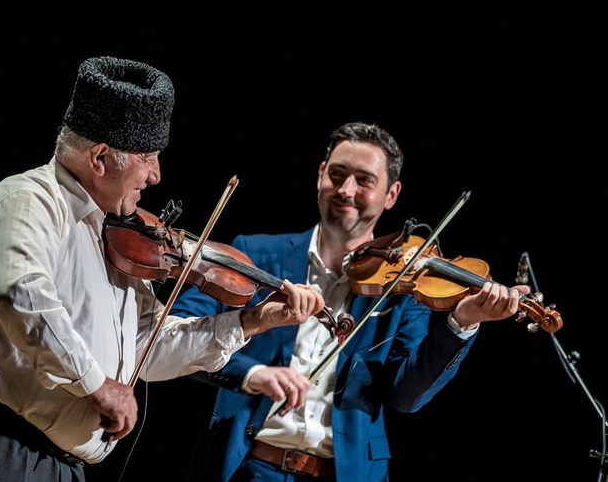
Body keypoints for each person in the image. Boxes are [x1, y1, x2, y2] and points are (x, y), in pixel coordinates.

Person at [0, 56, 324, 482]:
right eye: (148, 157)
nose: (157, 175)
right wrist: (98, 385)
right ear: (101, 157)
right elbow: (20, 298)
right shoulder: (26, 201)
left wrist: (254, 319)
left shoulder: (114, 235)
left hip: (57, 466)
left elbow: (148, 345)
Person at [170, 121, 530, 482]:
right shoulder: (255, 252)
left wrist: (462, 322)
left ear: (391, 195)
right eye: (337, 174)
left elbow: (405, 396)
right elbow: (179, 332)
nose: (345, 190)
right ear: (320, 175)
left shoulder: (405, 289)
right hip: (245, 467)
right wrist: (253, 373)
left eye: (364, 180)